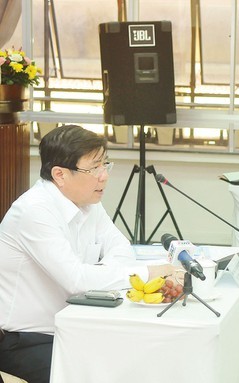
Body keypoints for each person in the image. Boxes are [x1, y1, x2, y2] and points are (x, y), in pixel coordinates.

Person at [0, 125, 177, 383]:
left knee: (145, 359)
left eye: (105, 164)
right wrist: (148, 272)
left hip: (75, 326)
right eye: (94, 168)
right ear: (60, 174)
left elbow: (120, 249)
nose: (104, 176)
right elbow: (77, 281)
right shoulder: (34, 211)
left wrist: (99, 275)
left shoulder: (88, 202)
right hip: (27, 340)